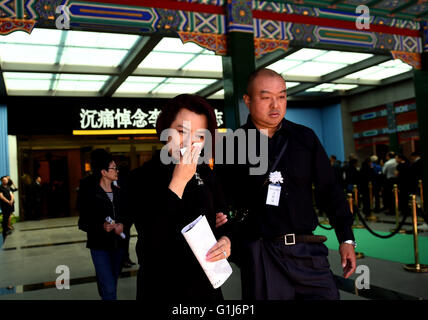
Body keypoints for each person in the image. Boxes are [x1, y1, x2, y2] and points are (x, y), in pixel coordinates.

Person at [217, 68, 356, 300]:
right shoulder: (231, 145)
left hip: (308, 250)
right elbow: (221, 200)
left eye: (281, 96)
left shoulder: (305, 137)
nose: (276, 105)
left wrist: (346, 238)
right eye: (266, 97)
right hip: (262, 253)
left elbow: (330, 191)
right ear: (247, 101)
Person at [128, 94, 231, 301]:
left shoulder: (207, 174)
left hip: (205, 285)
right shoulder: (141, 177)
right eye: (181, 131)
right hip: (161, 286)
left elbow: (223, 218)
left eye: (199, 136)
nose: (189, 142)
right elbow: (151, 241)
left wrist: (226, 239)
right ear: (165, 131)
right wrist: (178, 182)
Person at [76, 149, 129, 300]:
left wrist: (122, 225)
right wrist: (101, 226)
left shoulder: (119, 193)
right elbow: (83, 222)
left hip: (118, 247)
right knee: (110, 288)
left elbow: (128, 214)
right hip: (99, 247)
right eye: (113, 168)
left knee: (110, 285)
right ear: (104, 172)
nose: (117, 171)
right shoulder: (91, 194)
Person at [382, 151, 398, 215]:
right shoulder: (397, 162)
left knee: (389, 196)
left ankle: (391, 210)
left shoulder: (387, 163)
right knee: (395, 195)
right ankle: (397, 208)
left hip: (389, 180)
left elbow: (383, 172)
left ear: (388, 156)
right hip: (396, 180)